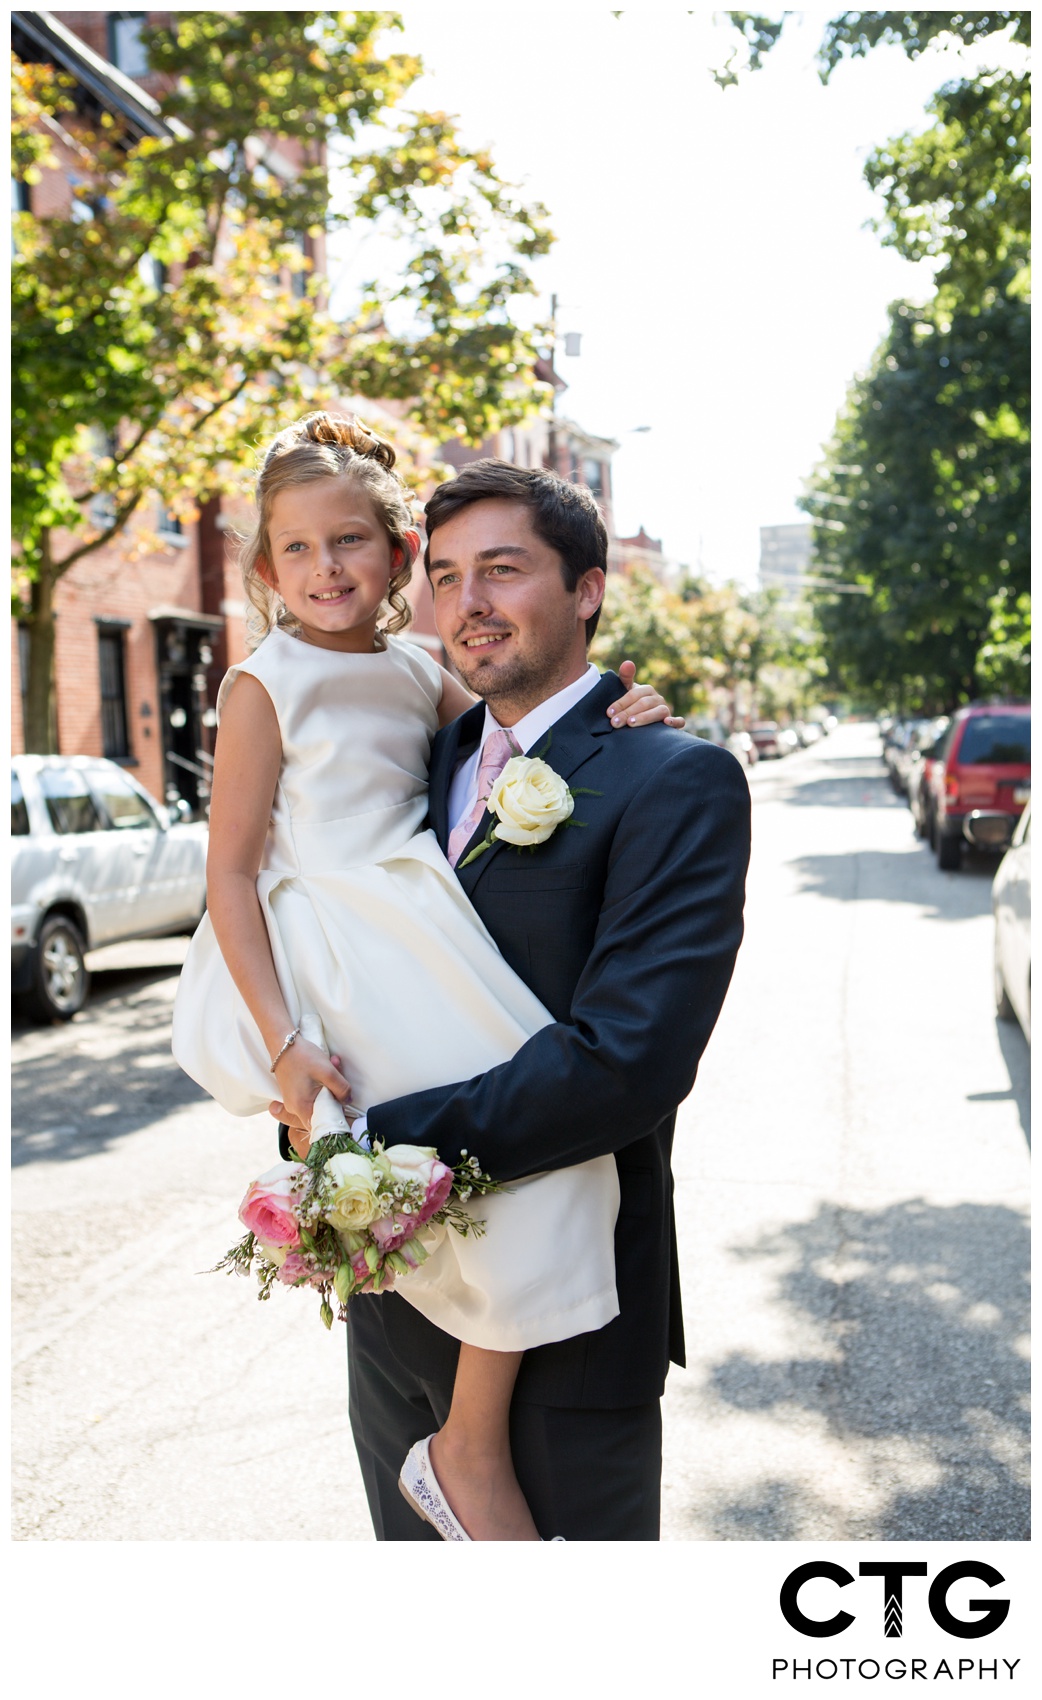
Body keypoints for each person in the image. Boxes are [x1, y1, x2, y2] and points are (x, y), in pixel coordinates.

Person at [171, 411, 681, 1543]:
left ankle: (469, 1439)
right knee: (428, 1171)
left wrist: (632, 711)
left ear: (395, 556)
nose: (324, 569)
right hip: (339, 942)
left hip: (418, 921)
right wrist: (281, 1040)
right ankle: (465, 1445)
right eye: (295, 550)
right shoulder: (264, 681)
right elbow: (233, 872)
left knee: (547, 1163)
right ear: (263, 568)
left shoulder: (419, 670)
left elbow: (529, 741)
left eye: (349, 542)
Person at [273, 456, 752, 1542]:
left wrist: (369, 1147)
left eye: (502, 569)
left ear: (586, 588)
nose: (469, 604)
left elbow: (626, 1060)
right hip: (391, 1304)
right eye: (444, 576)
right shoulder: (423, 750)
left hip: (565, 1325)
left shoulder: (669, 777)